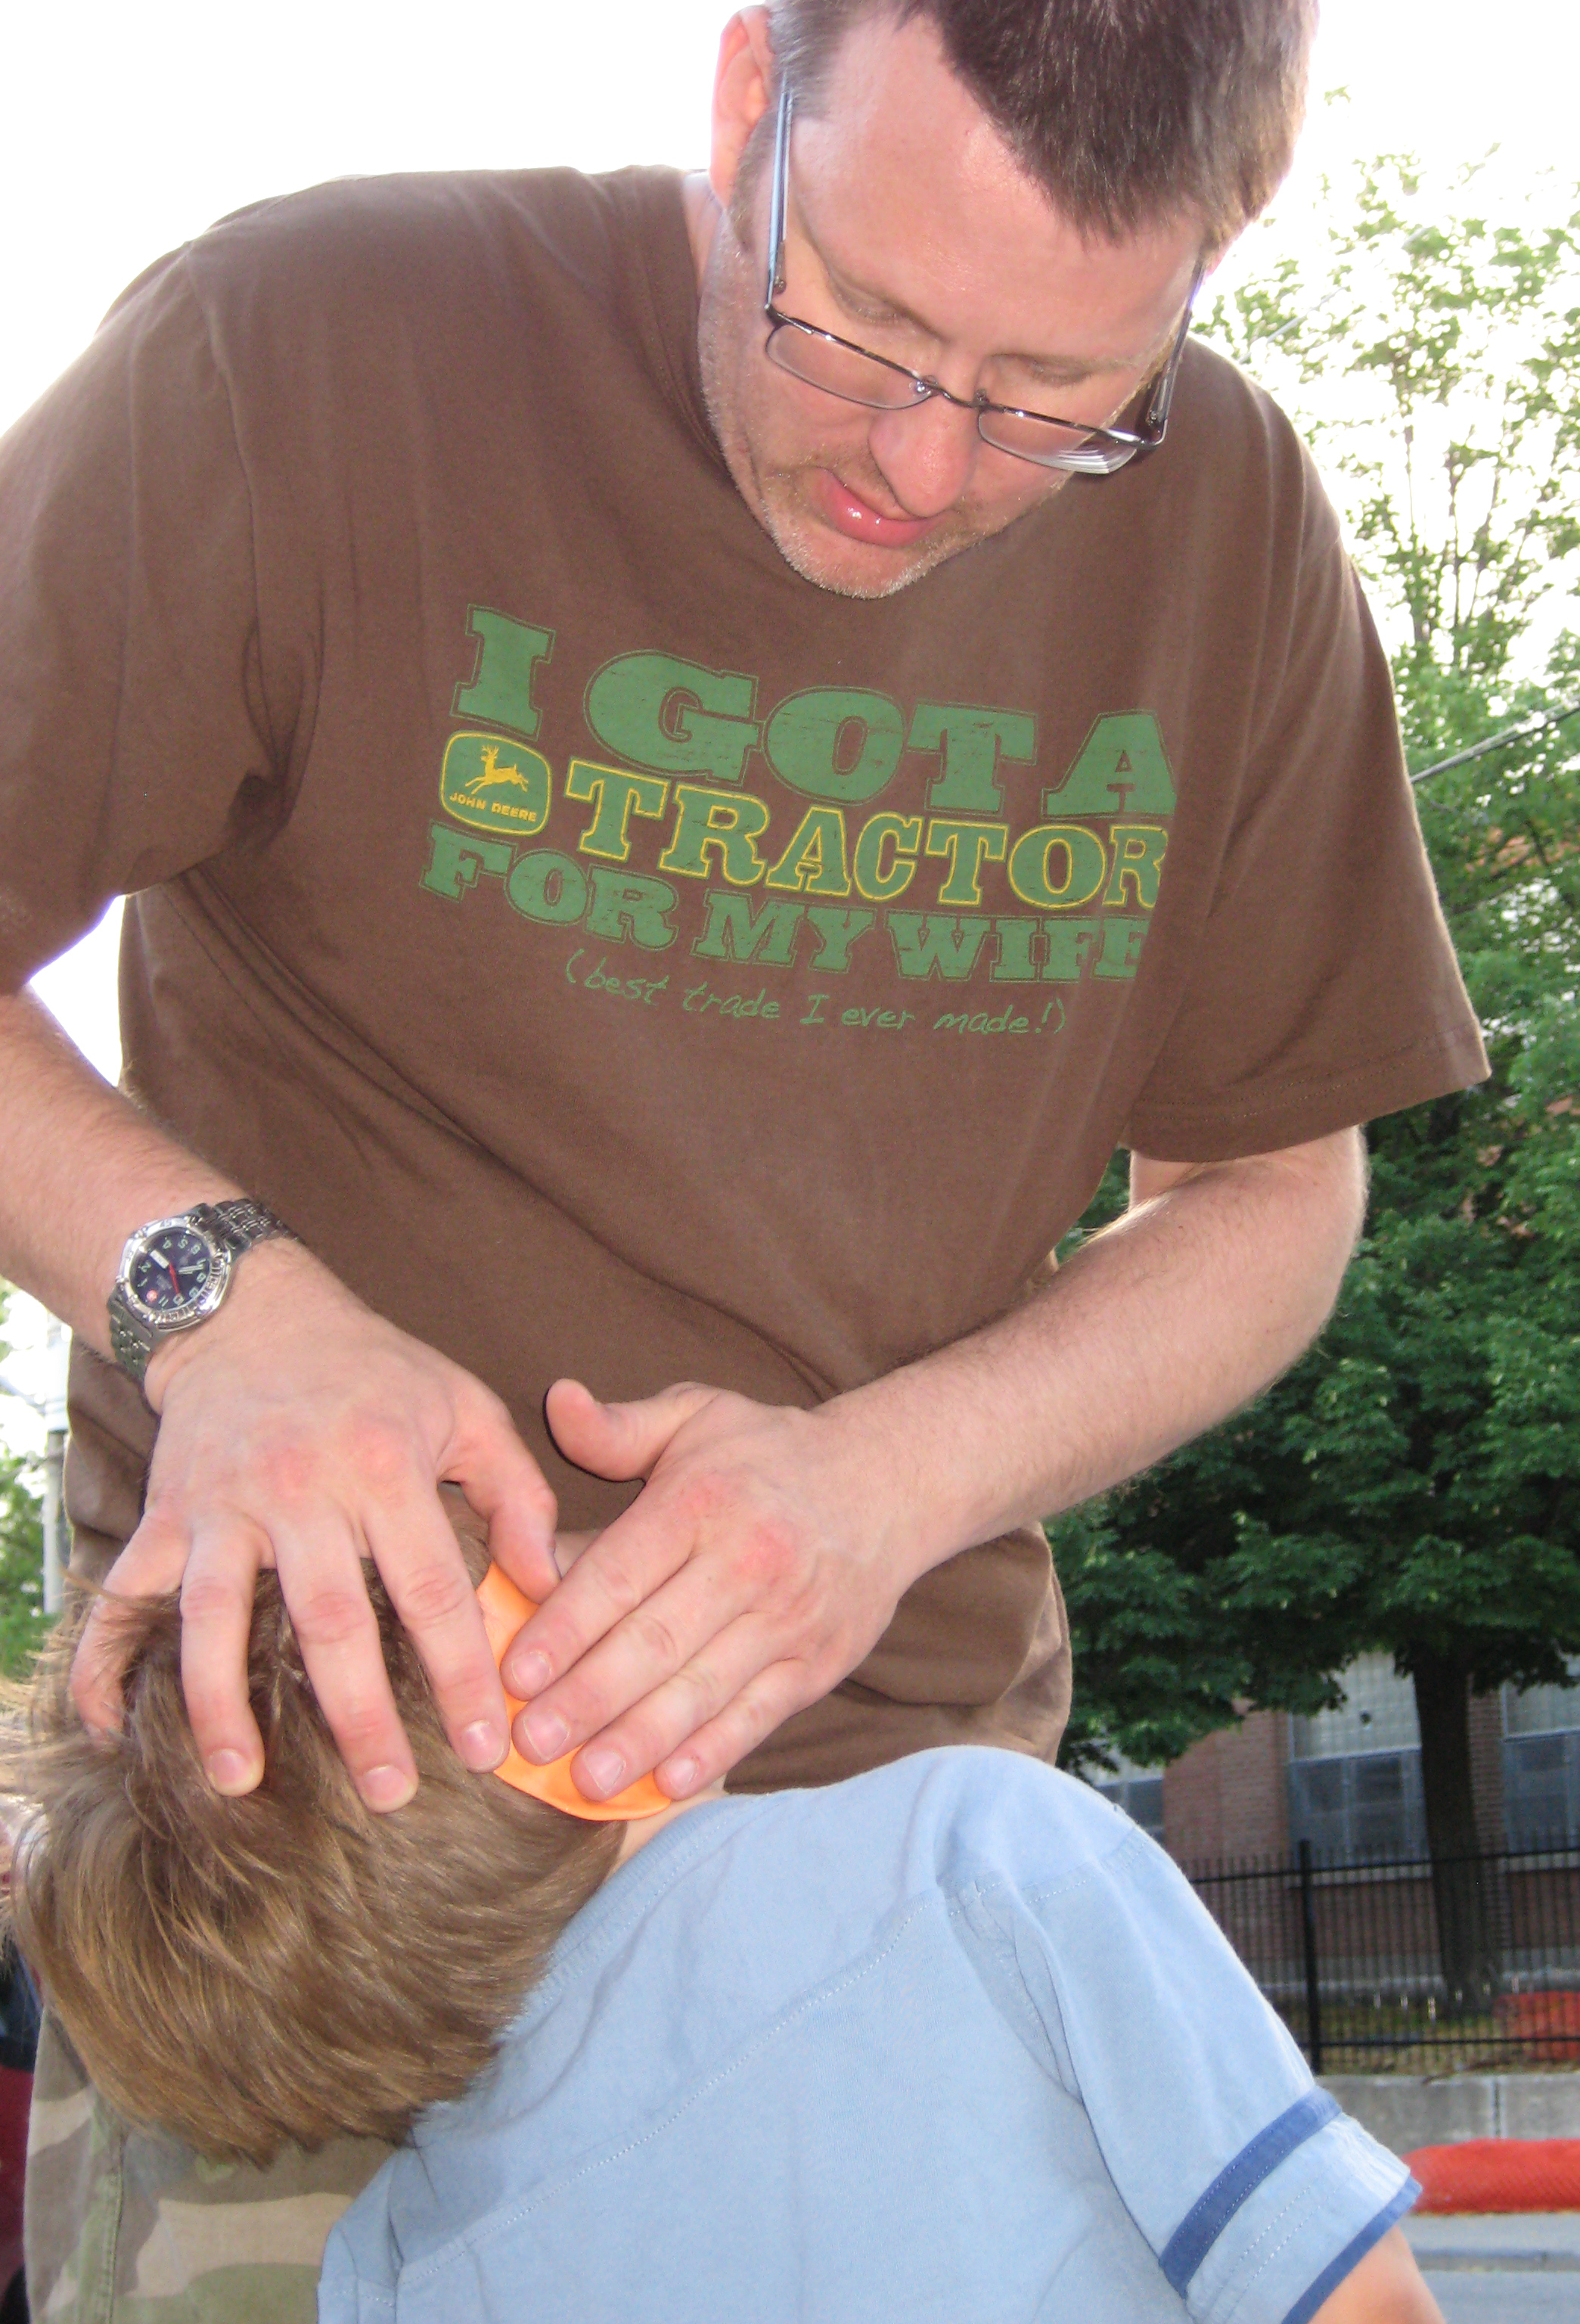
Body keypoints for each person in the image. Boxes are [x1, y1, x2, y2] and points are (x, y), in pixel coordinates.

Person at [0, 0, 1485, 2299]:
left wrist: (885, 1484)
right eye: (858, 319)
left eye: (1058, 394)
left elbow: (1280, 1192)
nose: (924, 458)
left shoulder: (1237, 535)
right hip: (314, 1905)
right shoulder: (303, 359)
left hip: (887, 1896)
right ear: (744, 100)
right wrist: (217, 1306)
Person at [2, 1537, 1445, 2324]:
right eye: (506, 1563)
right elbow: (1352, 2302)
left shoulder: (389, 2269)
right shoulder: (978, 1856)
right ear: (570, 1736)